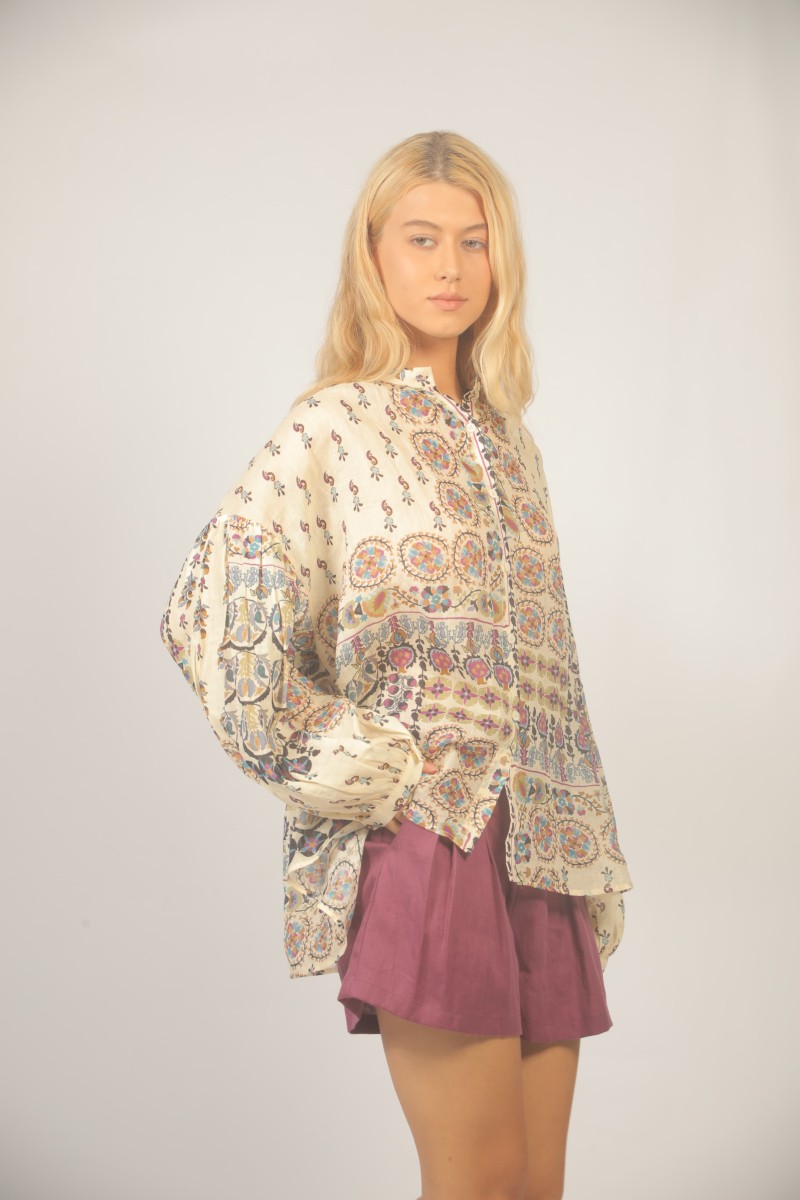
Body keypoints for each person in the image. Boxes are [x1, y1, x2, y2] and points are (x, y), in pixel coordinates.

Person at [160, 129, 634, 1200]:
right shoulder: (334, 426)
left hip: (542, 844)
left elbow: (552, 662)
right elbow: (208, 612)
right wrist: (341, 753)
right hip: (431, 831)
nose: (450, 267)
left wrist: (593, 842)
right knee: (479, 1180)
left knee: (534, 1188)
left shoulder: (510, 442)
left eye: (474, 240)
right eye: (421, 238)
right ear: (372, 253)